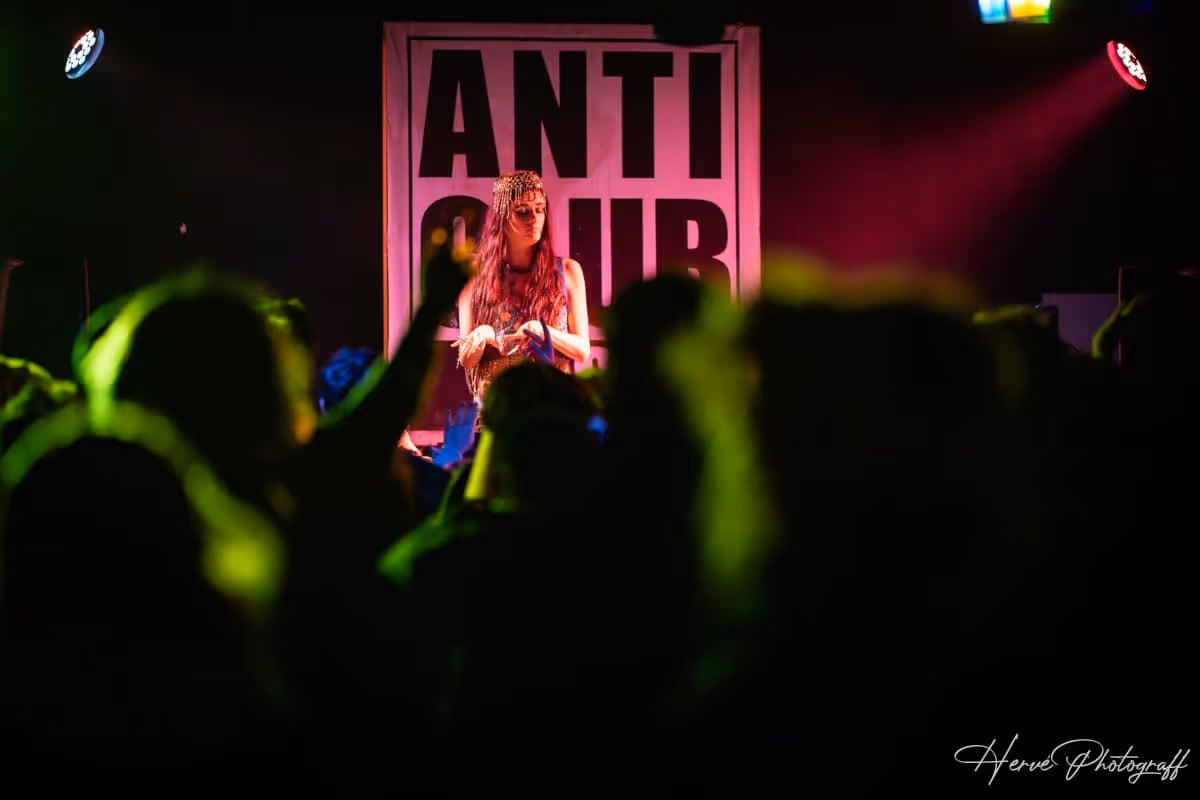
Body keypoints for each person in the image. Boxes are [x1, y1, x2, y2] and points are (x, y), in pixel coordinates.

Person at [453, 170, 590, 406]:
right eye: (523, 212)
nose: (534, 219)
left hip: (553, 407)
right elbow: (466, 360)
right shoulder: (475, 276)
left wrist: (544, 331)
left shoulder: (567, 271)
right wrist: (482, 335)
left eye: (540, 209)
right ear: (502, 217)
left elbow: (582, 350)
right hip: (500, 410)